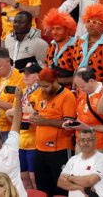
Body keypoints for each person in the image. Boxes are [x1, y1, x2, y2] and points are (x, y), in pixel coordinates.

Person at [28, 68, 76, 197]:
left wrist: (45, 121)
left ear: (55, 81)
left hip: (59, 150)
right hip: (40, 150)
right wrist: (34, 117)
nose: (43, 89)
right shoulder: (40, 94)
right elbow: (39, 112)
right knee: (43, 188)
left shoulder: (67, 96)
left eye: (46, 86)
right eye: (41, 86)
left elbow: (69, 124)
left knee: (62, 190)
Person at [57, 128, 103, 197]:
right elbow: (60, 182)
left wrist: (69, 177)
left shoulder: (102, 159)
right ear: (78, 142)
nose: (85, 143)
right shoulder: (73, 159)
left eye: (89, 140)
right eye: (82, 140)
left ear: (95, 141)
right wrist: (80, 187)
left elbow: (90, 181)